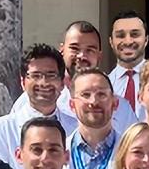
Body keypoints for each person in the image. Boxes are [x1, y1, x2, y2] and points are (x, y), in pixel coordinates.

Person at [10, 21, 138, 134]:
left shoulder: (121, 107)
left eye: (90, 50)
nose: (82, 56)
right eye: (75, 49)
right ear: (62, 50)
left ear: (99, 56)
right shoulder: (28, 101)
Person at [0, 43, 79, 169]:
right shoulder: (1, 130)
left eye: (51, 75)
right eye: (35, 76)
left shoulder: (75, 128)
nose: (44, 83)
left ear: (62, 83)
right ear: (23, 82)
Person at [58, 68, 123, 169]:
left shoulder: (129, 151)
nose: (93, 102)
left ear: (115, 103)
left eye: (101, 94)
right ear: (72, 105)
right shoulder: (58, 152)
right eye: (85, 95)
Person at [107, 10, 149, 117]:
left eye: (135, 34)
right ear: (111, 42)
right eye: (120, 35)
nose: (128, 41)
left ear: (146, 40)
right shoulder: (105, 86)